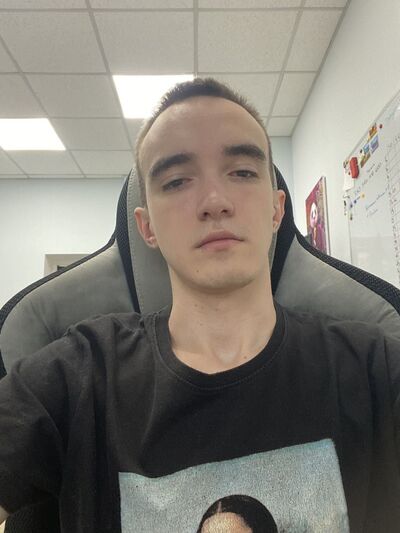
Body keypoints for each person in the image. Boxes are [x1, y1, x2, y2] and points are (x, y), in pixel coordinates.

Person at [0, 77, 399, 533]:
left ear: (277, 210)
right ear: (147, 228)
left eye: (242, 172)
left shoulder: (375, 368)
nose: (215, 202)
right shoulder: (74, 378)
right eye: (176, 181)